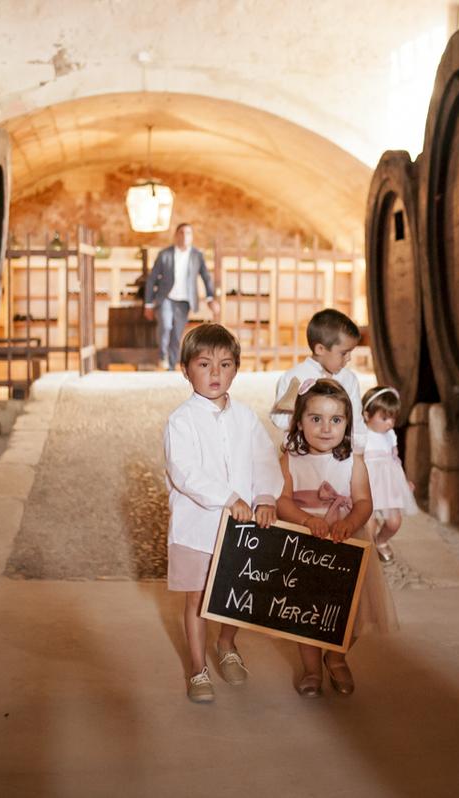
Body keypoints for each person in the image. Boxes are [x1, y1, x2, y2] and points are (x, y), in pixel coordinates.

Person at [163, 323, 282, 703]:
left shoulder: (245, 417)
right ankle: (197, 668)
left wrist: (266, 497)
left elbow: (264, 458)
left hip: (240, 529)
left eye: (225, 364)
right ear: (185, 370)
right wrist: (229, 497)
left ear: (236, 369)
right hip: (197, 528)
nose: (215, 373)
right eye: (204, 364)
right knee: (198, 600)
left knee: (236, 593)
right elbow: (185, 472)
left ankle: (227, 644)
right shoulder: (181, 421)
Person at [275, 378, 397, 698]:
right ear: (299, 422)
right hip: (305, 544)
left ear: (347, 424)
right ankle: (312, 668)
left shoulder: (352, 462)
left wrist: (350, 522)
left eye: (336, 420)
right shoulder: (291, 460)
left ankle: (337, 656)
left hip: (345, 543)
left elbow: (364, 502)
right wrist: (306, 520)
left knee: (349, 609)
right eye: (316, 418)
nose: (326, 428)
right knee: (305, 610)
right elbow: (282, 500)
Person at [270, 308, 366, 453]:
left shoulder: (349, 379)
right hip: (301, 453)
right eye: (344, 353)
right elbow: (278, 418)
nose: (349, 358)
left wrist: (358, 450)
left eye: (350, 352)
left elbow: (356, 420)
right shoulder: (293, 377)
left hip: (338, 453)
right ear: (320, 349)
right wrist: (302, 420)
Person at [143, 223, 221, 369]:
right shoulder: (164, 254)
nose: (185, 236)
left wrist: (210, 298)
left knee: (177, 334)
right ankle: (162, 356)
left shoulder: (197, 255)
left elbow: (206, 277)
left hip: (184, 301)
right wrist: (148, 303)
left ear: (192, 237)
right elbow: (152, 279)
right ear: (175, 236)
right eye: (182, 233)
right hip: (165, 298)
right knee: (166, 325)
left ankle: (171, 365)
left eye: (188, 233)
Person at [361, 386, 418, 563]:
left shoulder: (390, 435)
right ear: (367, 415)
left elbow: (395, 461)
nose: (390, 423)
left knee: (394, 522)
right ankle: (369, 548)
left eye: (393, 418)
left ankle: (381, 540)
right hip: (367, 485)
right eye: (384, 418)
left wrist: (403, 481)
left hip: (388, 484)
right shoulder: (361, 435)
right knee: (368, 525)